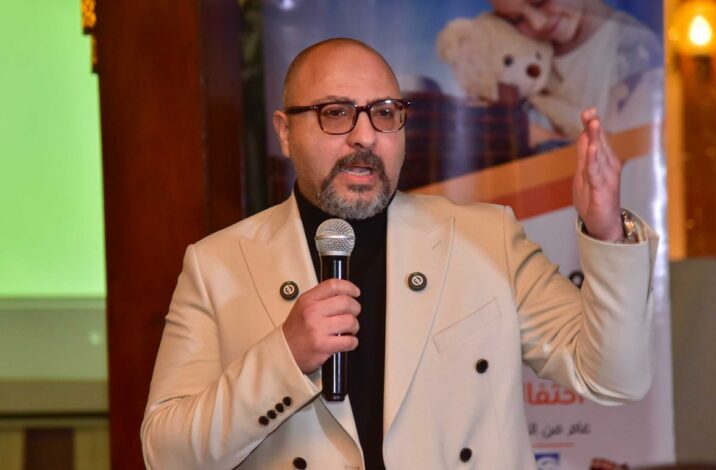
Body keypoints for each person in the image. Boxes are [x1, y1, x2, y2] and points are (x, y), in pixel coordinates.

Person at [141, 38, 657, 469]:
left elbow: (614, 378)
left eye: (385, 113)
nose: (365, 136)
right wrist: (285, 358)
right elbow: (165, 454)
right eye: (336, 113)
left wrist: (606, 231)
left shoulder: (485, 238)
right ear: (285, 132)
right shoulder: (218, 265)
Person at [490, 0, 663, 139]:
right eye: (516, 19)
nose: (537, 24)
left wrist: (542, 137)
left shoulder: (635, 50)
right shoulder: (521, 53)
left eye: (540, 2)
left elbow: (622, 156)